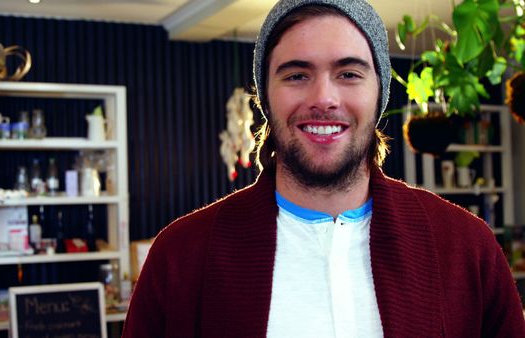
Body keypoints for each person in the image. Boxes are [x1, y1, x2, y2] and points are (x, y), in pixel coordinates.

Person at [122, 0, 525, 337]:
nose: (323, 98)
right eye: (297, 75)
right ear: (265, 98)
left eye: (348, 74)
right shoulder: (180, 257)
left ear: (380, 94)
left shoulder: (465, 248)